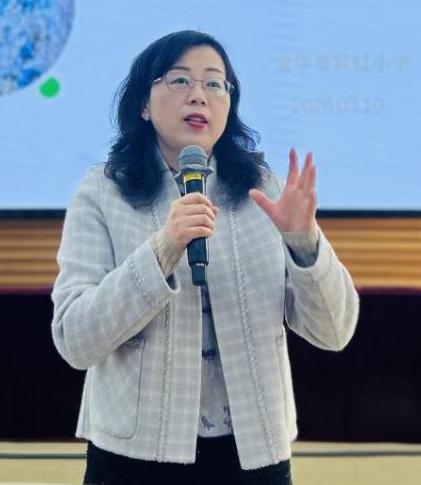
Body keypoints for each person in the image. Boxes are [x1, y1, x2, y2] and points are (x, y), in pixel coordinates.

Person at [51, 30, 359, 485]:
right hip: (134, 457)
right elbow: (75, 339)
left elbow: (334, 331)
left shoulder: (262, 191)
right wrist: (163, 248)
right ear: (143, 103)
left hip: (253, 455)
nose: (199, 95)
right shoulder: (103, 191)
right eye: (180, 80)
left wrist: (303, 241)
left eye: (214, 83)